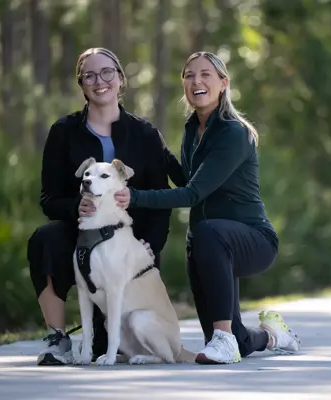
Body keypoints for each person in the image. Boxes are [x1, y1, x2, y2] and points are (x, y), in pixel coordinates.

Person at [113, 51, 301, 364]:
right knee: (233, 339)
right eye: (189, 75)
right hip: (208, 243)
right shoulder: (192, 129)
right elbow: (190, 179)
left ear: (224, 83)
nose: (196, 81)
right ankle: (272, 336)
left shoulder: (233, 133)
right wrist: (160, 149)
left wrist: (135, 197)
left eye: (205, 74)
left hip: (252, 240)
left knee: (207, 236)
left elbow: (192, 193)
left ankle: (224, 338)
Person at [27, 47, 172, 366]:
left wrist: (151, 245)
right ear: (81, 84)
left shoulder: (145, 134)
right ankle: (58, 339)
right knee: (43, 240)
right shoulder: (63, 132)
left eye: (107, 72)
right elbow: (49, 199)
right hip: (82, 240)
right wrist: (75, 207)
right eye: (89, 75)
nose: (99, 80)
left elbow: (161, 199)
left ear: (121, 80)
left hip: (130, 248)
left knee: (112, 345)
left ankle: (115, 338)